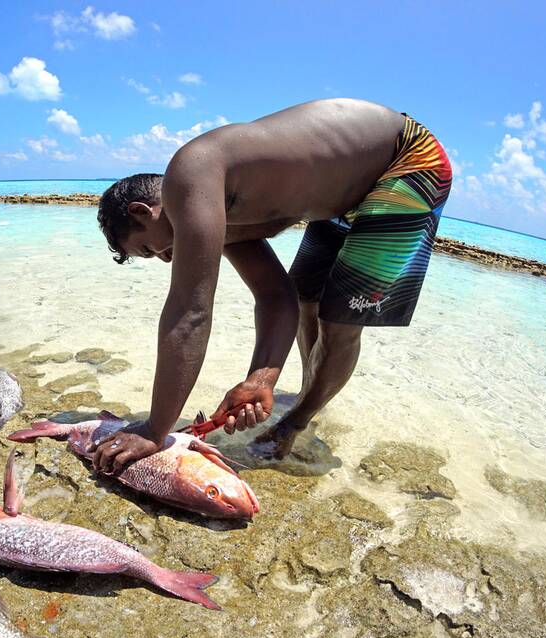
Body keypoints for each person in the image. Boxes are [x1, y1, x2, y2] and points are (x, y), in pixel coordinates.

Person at [90, 98, 451, 470]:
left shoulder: (189, 177)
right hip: (346, 194)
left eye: (150, 249)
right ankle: (309, 394)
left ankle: (296, 421)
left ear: (141, 210)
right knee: (305, 297)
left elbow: (190, 312)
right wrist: (261, 378)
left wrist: (154, 430)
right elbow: (277, 297)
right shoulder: (221, 215)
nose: (167, 258)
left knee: (339, 322)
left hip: (409, 161)